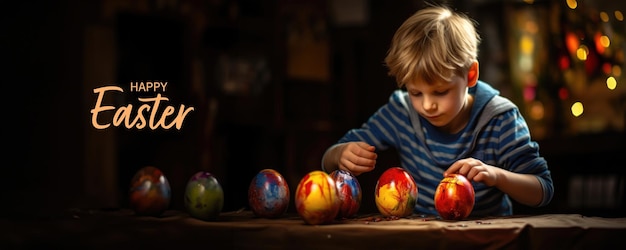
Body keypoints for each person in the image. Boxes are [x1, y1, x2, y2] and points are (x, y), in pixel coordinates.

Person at [321, 5, 554, 217]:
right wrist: (340, 154)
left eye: (441, 92)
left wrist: (496, 175)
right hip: (423, 237)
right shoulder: (401, 113)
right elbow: (330, 159)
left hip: (487, 240)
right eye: (416, 93)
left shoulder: (501, 119)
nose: (427, 105)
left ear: (470, 75)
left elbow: (542, 190)